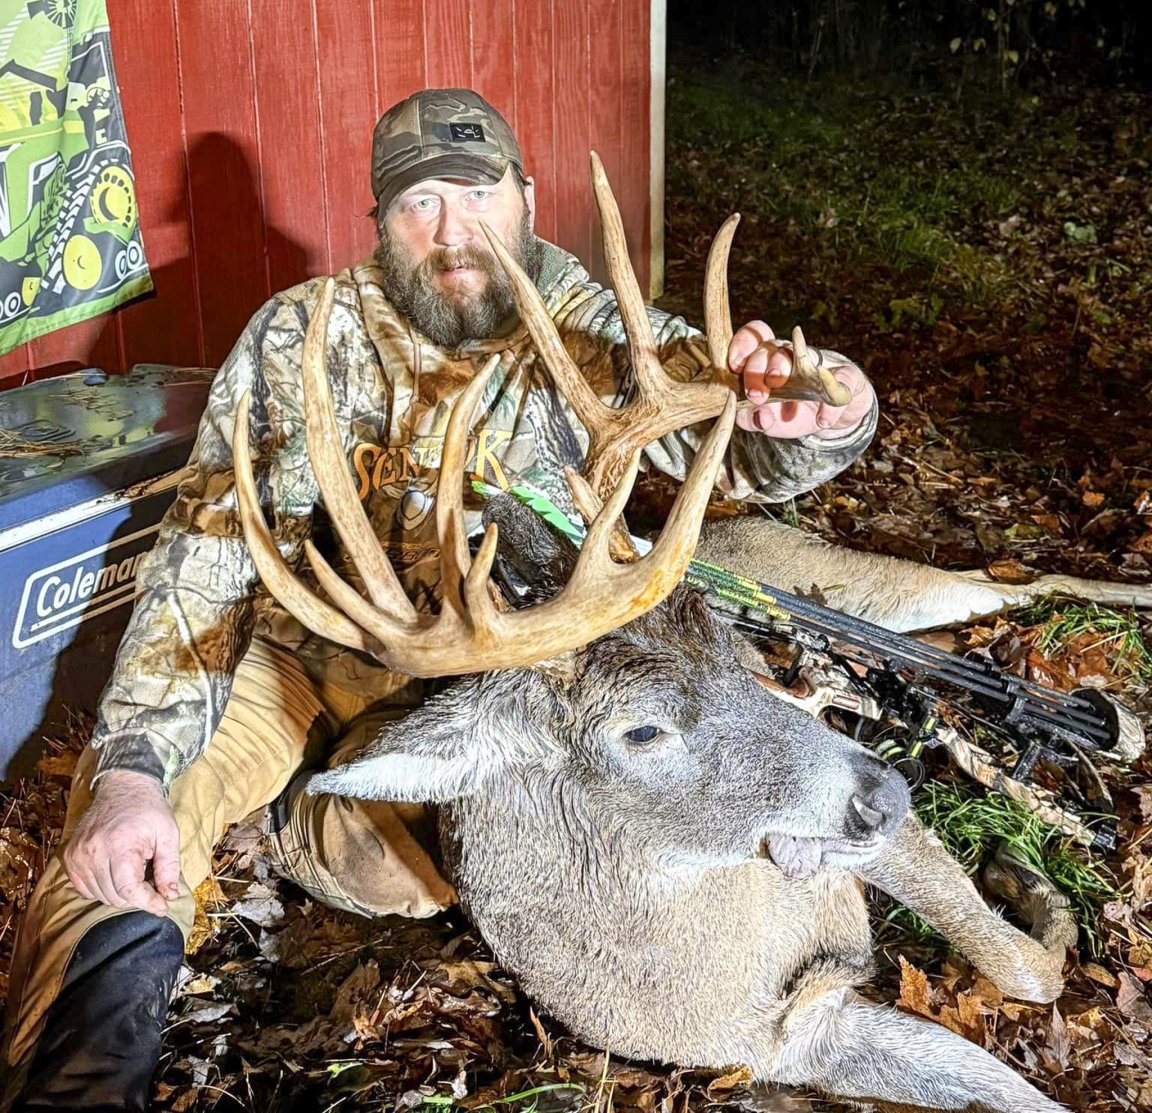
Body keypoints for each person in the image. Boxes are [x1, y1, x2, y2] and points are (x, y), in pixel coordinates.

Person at [0, 88, 878, 1111]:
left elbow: (729, 424)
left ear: (527, 197)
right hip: (306, 655)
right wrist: (134, 767)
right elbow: (206, 558)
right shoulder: (301, 338)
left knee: (411, 882)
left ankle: (301, 822)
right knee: (137, 826)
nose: (452, 231)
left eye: (477, 193)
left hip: (512, 678)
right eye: (419, 205)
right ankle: (75, 1080)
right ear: (379, 224)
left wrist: (817, 410)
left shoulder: (587, 325)